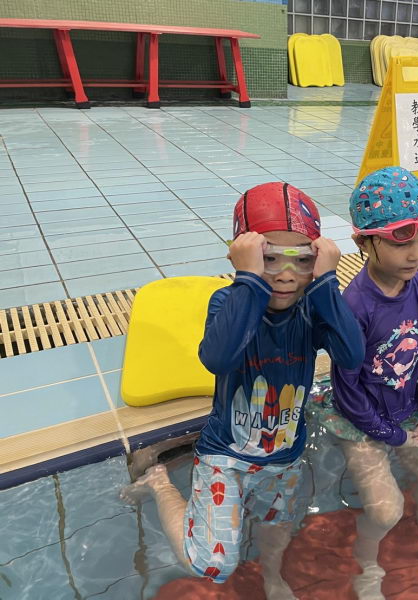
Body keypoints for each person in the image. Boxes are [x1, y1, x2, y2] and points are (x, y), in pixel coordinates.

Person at [121, 182, 364, 600]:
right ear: (243, 257)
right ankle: (160, 482)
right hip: (226, 456)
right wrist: (249, 281)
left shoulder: (312, 305)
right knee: (212, 564)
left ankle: (272, 576)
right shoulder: (228, 300)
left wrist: (326, 283)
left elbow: (352, 355)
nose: (286, 274)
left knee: (277, 526)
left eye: (302, 260)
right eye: (269, 258)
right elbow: (219, 358)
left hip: (284, 454)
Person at [318, 167, 418, 599]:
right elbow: (346, 389)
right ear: (364, 242)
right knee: (386, 511)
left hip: (405, 410)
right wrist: (389, 435)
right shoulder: (354, 306)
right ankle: (368, 565)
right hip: (359, 417)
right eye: (401, 242)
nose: (416, 253)